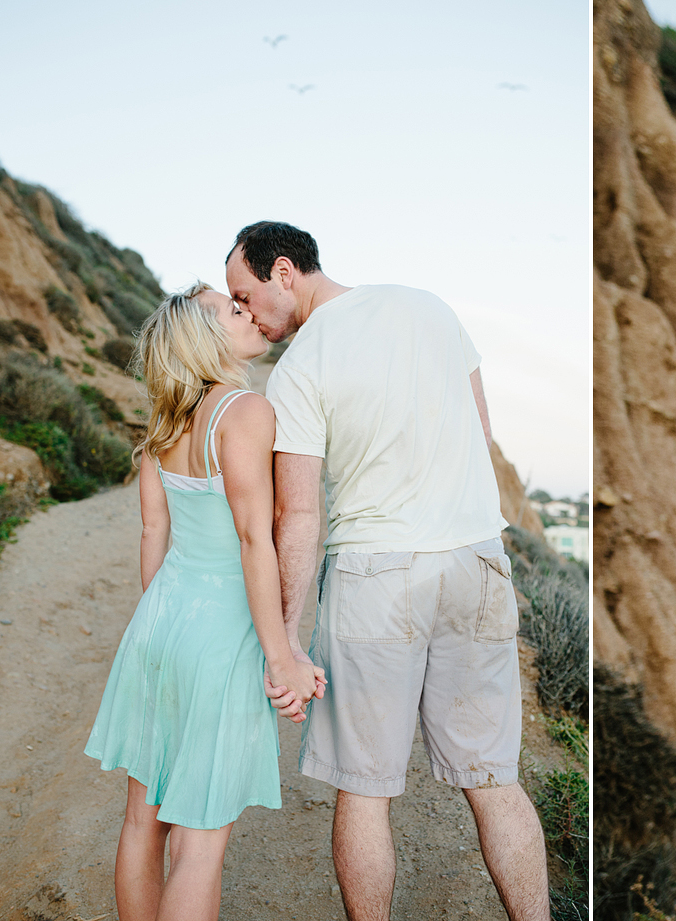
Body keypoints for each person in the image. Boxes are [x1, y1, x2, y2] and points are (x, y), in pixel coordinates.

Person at [225, 221, 550, 921]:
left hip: (375, 576)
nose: (247, 314)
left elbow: (299, 516)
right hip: (476, 562)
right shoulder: (428, 305)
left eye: (245, 295)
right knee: (495, 780)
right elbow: (481, 432)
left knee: (364, 791)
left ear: (283, 271)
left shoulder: (300, 366)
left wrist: (282, 636)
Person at [84, 282, 326, 921]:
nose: (245, 312)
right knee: (200, 843)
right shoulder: (245, 412)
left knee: (143, 821)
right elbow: (255, 539)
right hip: (221, 635)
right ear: (204, 339)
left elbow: (152, 532)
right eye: (231, 309)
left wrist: (160, 630)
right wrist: (282, 657)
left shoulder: (166, 422)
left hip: (159, 623)